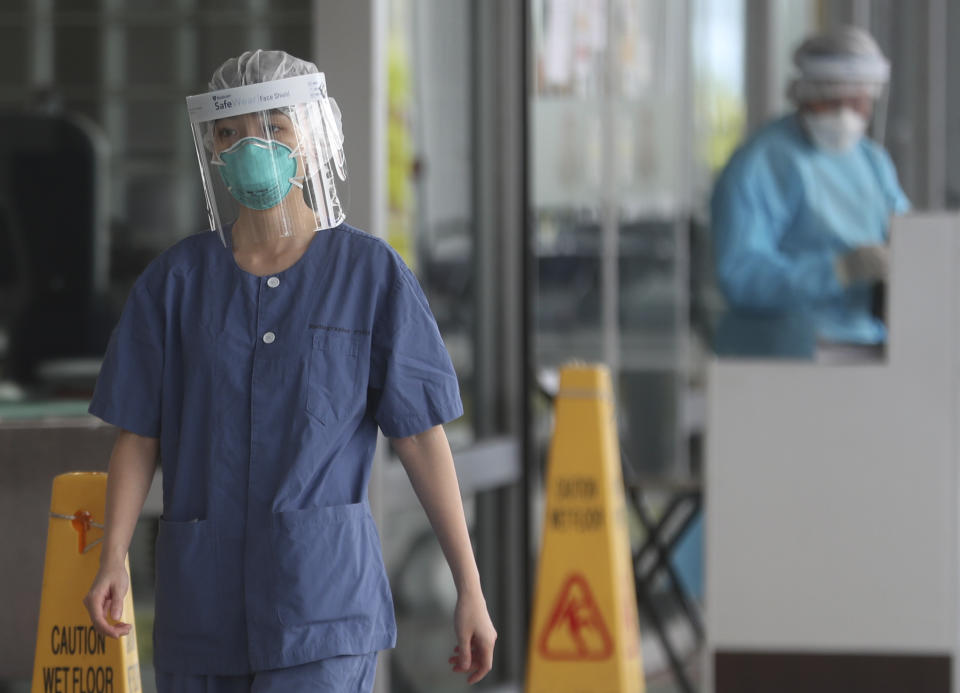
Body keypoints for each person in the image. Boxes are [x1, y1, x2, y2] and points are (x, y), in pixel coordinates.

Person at [82, 50, 496, 692]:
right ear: (212, 149)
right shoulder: (175, 283)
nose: (252, 146)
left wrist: (469, 586)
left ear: (312, 134)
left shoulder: (370, 276)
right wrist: (113, 556)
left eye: (274, 125)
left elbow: (420, 437)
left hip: (322, 611)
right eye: (231, 132)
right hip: (202, 610)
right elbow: (139, 432)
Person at [711, 26, 910, 358]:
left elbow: (910, 236)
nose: (846, 114)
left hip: (867, 347)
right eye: (833, 101)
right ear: (805, 93)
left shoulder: (873, 162)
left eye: (858, 102)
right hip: (781, 354)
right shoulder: (762, 163)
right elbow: (740, 274)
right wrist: (837, 270)